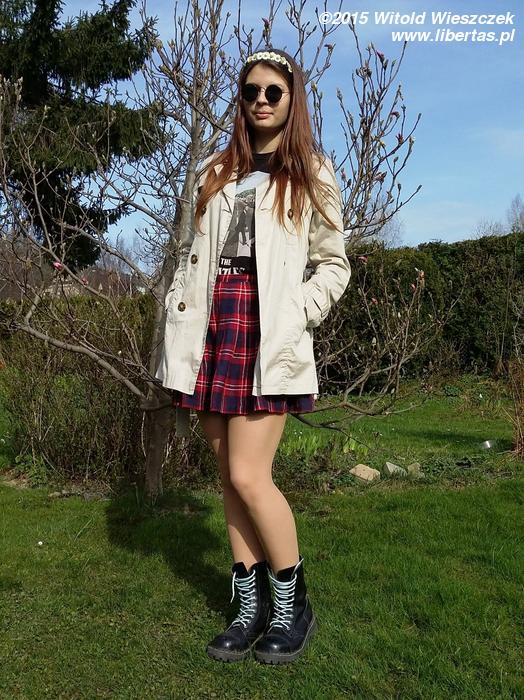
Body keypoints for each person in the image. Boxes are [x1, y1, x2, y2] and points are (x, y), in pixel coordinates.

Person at [156, 48, 351, 665]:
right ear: (240, 101)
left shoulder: (311, 172)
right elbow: (188, 255)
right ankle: (250, 608)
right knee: (229, 480)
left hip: (268, 332)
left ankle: (292, 605)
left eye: (273, 92)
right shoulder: (213, 172)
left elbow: (334, 263)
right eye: (250, 92)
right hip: (211, 330)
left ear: (291, 101)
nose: (261, 101)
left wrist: (298, 310)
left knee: (249, 475)